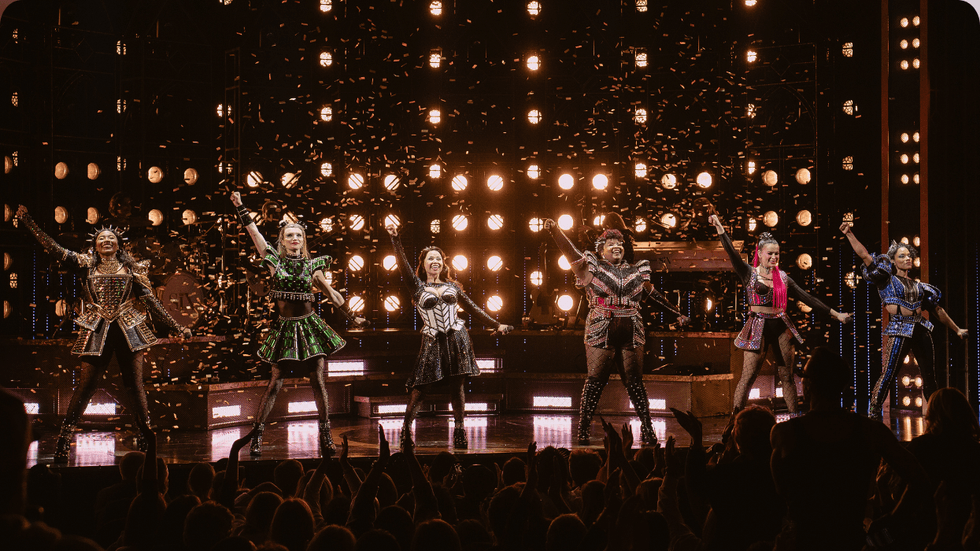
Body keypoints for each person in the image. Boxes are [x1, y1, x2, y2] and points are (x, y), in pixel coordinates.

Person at [16, 205, 191, 464]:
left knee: (135, 386)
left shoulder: (133, 269)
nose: (106, 240)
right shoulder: (86, 263)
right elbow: (54, 249)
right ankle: (64, 440)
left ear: (119, 245)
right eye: (101, 238)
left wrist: (177, 327)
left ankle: (145, 437)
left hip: (129, 328)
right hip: (98, 327)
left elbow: (153, 302)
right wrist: (29, 223)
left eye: (111, 238)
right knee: (86, 386)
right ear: (95, 246)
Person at [231, 191, 364, 456]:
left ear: (303, 242)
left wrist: (350, 314)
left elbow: (331, 293)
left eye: (299, 235)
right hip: (285, 327)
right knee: (276, 382)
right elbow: (255, 234)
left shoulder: (312, 265)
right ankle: (257, 435)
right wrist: (240, 207)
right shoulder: (274, 262)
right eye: (290, 235)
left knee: (317, 379)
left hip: (310, 327)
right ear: (282, 241)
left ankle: (325, 433)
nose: (295, 238)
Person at [544, 218, 689, 445]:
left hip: (632, 328)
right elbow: (569, 251)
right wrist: (556, 231)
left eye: (619, 241)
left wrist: (677, 313)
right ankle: (583, 429)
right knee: (595, 381)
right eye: (610, 242)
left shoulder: (637, 270)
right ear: (601, 249)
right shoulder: (591, 267)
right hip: (601, 327)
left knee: (635, 382)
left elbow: (654, 296)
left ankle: (648, 429)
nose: (616, 245)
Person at [770, 347, 930, 551]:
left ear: (808, 385)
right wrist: (892, 519)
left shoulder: (784, 434)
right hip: (851, 539)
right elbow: (919, 479)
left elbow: (779, 492)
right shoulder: (870, 431)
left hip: (803, 540)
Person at [385, 224, 513, 450]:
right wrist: (396, 240)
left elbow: (473, 308)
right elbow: (403, 265)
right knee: (421, 387)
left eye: (438, 259)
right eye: (430, 259)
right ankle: (406, 430)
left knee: (458, 387)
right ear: (423, 264)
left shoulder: (453, 287)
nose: (435, 261)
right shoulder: (417, 286)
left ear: (443, 264)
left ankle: (460, 430)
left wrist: (496, 324)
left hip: (457, 339)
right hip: (433, 339)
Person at [709, 213, 851, 416]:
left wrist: (836, 314)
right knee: (748, 377)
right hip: (757, 326)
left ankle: (795, 419)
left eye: (777, 254)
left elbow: (807, 298)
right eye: (770, 254)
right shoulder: (748, 272)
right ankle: (735, 420)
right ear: (760, 253)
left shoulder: (784, 278)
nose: (774, 257)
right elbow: (731, 252)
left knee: (787, 377)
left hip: (780, 326)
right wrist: (720, 227)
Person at [839, 222, 968, 420]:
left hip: (920, 329)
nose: (908, 258)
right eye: (902, 256)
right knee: (888, 373)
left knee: (930, 378)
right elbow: (864, 255)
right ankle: (873, 414)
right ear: (892, 260)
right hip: (899, 328)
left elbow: (937, 310)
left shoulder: (921, 287)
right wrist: (849, 234)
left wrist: (957, 329)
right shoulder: (885, 279)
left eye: (909, 255)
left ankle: (937, 417)